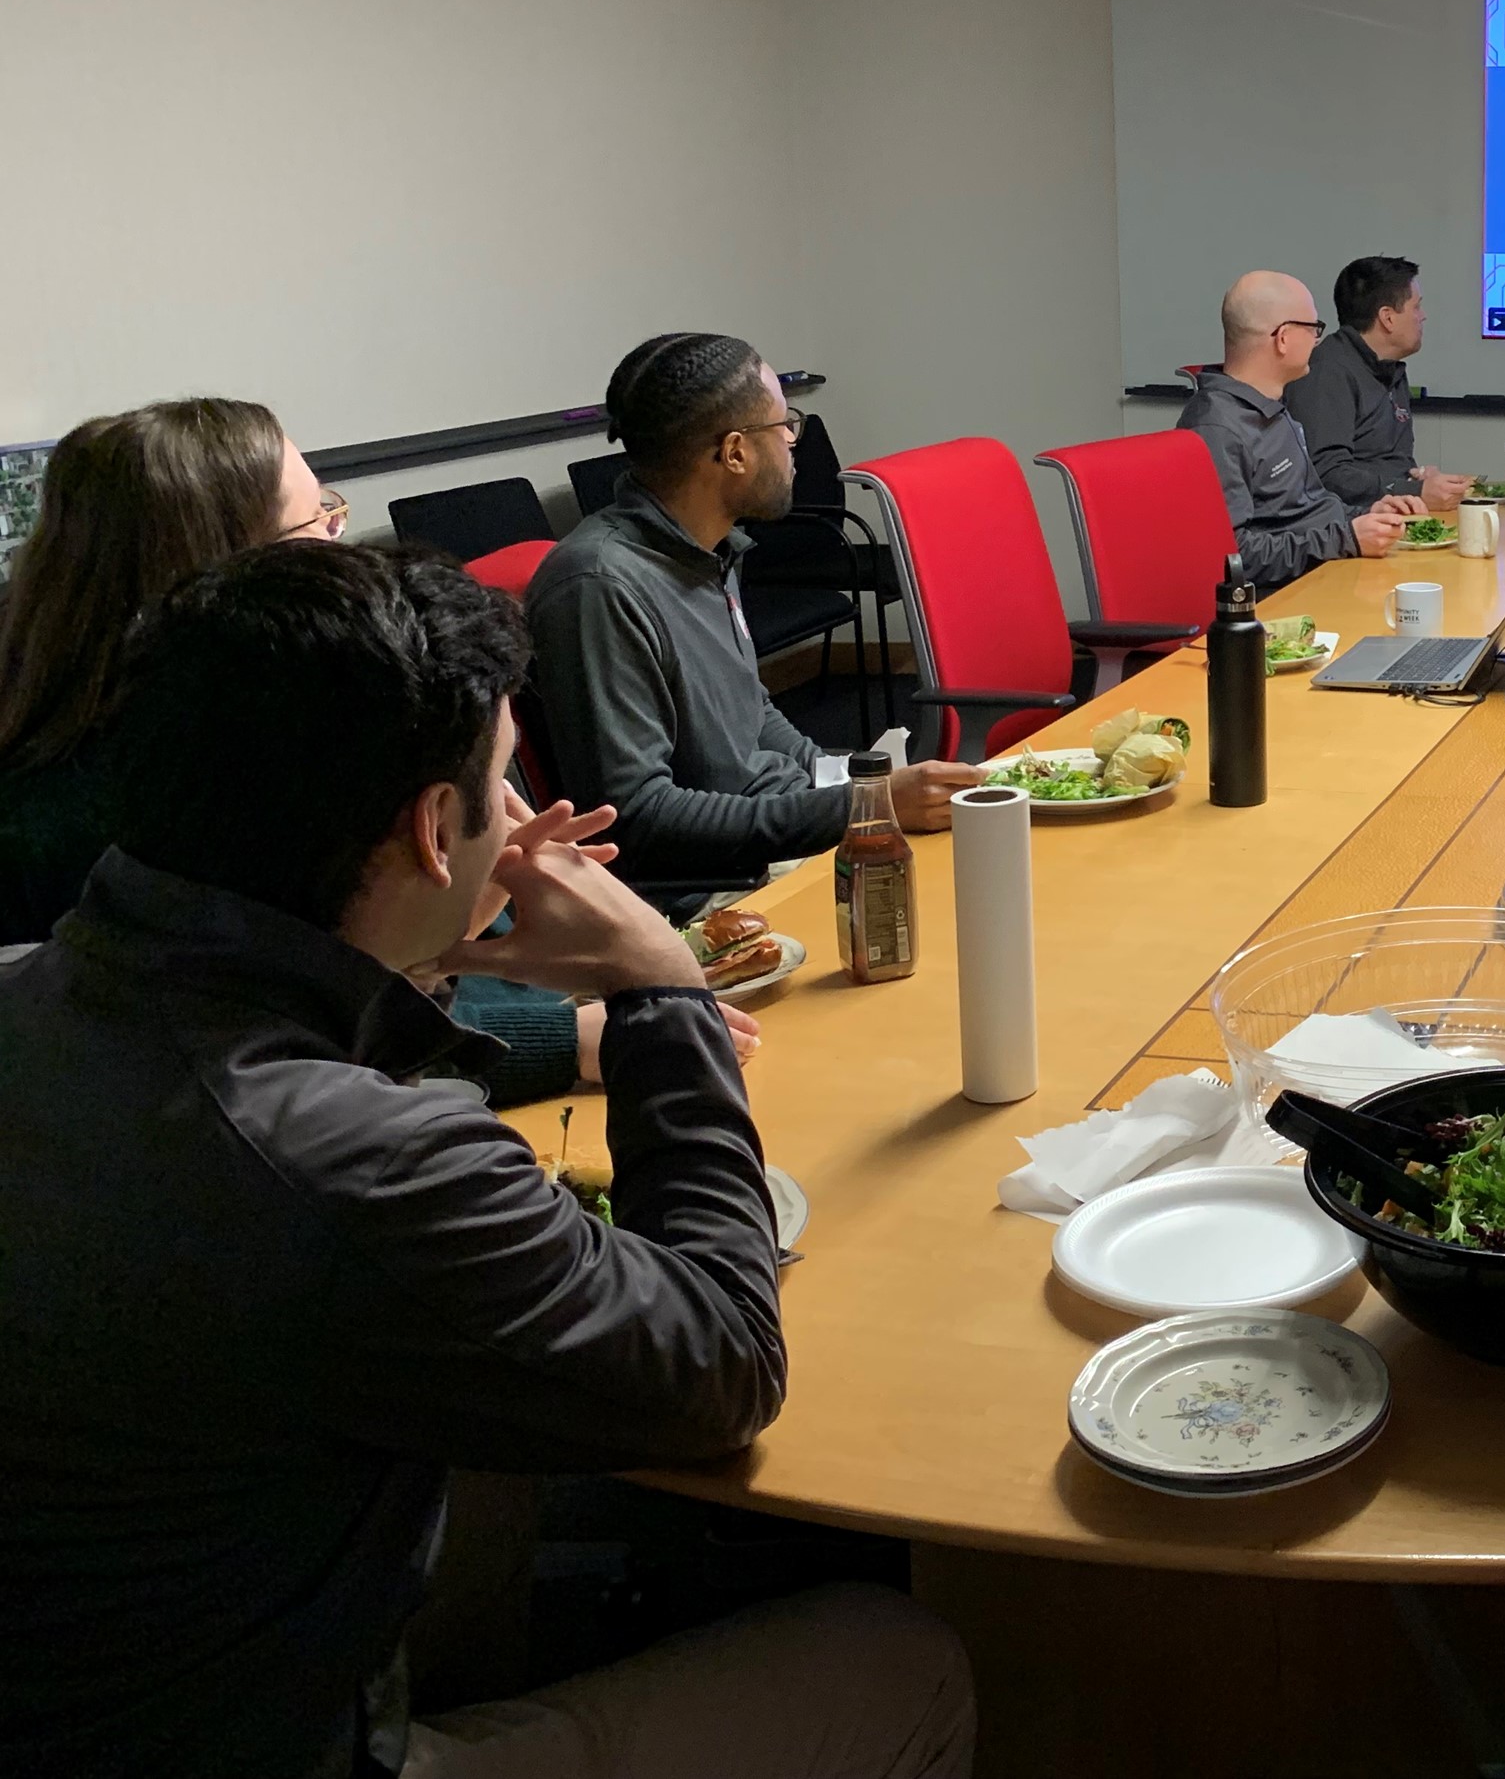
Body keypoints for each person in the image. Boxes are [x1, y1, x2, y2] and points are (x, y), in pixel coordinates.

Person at [0, 544, 972, 1778]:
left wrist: (425, 942)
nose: (523, 824)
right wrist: (657, 987)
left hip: (97, 1669)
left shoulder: (44, 991)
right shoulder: (352, 1160)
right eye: (505, 788)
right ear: (427, 825)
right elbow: (726, 1364)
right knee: (894, 1656)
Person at [0, 396, 755, 1098]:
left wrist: (474, 891)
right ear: (230, 578)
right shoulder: (126, 804)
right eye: (316, 524)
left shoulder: (286, 719)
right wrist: (559, 1030)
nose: (346, 544)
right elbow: (243, 1050)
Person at [528, 335, 980, 887]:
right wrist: (854, 811)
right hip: (718, 890)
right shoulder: (598, 588)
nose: (793, 439)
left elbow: (752, 711)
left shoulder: (710, 549)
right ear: (734, 452)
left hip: (779, 843)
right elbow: (637, 820)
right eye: (784, 424)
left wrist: (855, 785)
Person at [0, 397, 337, 944]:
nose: (335, 545)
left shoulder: (58, 711)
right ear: (226, 570)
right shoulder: (189, 810)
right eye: (316, 521)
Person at [1179, 271, 1410, 590]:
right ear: (1283, 338)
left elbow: (1309, 509)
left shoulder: (1272, 406)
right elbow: (1233, 558)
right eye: (1313, 328)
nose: (1318, 340)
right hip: (1282, 602)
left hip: (1320, 575)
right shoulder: (1217, 427)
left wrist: (1365, 514)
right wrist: (1346, 539)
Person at [1283, 255, 1473, 511]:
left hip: (1389, 518)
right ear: (1388, 318)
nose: (1423, 316)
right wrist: (1413, 491)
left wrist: (1415, 477)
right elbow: (1327, 474)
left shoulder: (1391, 368)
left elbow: (1383, 463)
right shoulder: (1326, 371)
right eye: (1416, 307)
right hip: (1352, 528)